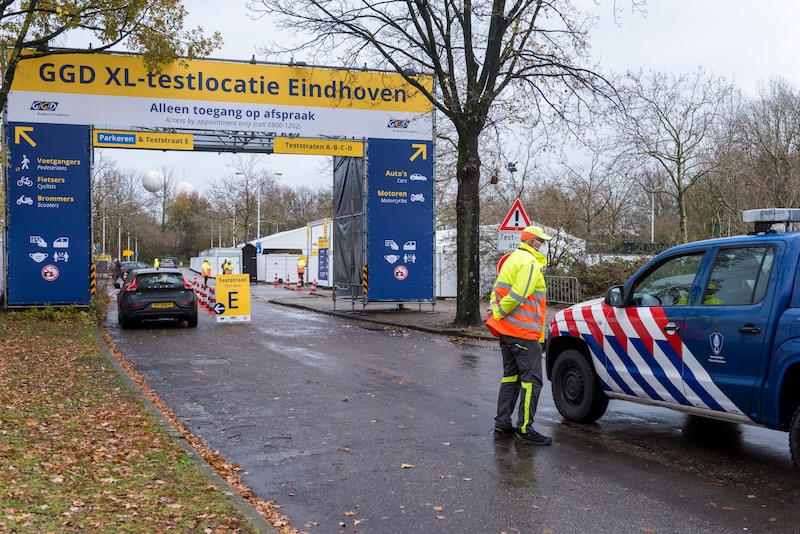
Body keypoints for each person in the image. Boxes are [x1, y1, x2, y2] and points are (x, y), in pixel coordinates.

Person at [486, 225, 552, 446]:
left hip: (508, 332)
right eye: (540, 241)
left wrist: (496, 312)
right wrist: (499, 311)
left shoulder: (512, 260)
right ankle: (525, 428)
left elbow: (497, 291)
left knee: (511, 378)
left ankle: (502, 425)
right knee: (532, 382)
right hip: (524, 333)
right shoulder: (530, 263)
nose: (541, 245)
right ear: (531, 241)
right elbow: (519, 295)